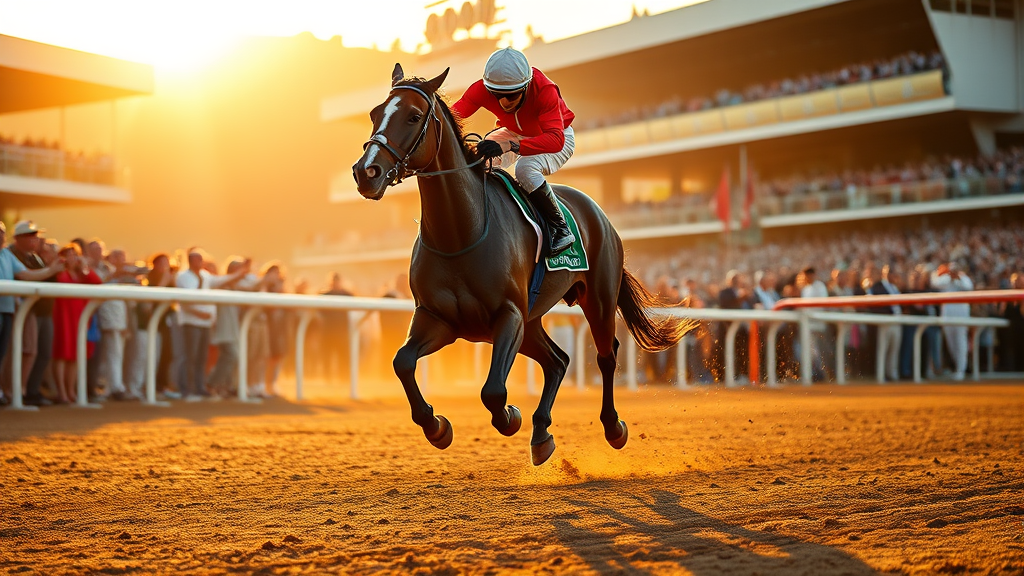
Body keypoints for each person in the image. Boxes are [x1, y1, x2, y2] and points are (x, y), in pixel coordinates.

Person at [452, 47, 578, 255]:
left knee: (525, 169)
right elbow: (450, 116)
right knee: (477, 160)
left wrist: (511, 146)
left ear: (526, 86)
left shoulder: (545, 90)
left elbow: (555, 140)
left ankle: (560, 228)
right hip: (513, 132)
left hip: (557, 137)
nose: (504, 103)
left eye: (510, 95)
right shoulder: (480, 89)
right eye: (496, 95)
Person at [175, 248, 250, 401]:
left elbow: (221, 281)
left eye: (200, 259)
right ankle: (186, 390)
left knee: (201, 358)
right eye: (196, 259)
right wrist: (198, 313)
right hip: (191, 321)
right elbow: (185, 299)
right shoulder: (183, 276)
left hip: (205, 323)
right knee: (189, 357)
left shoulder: (205, 276)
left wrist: (240, 273)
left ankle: (200, 388)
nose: (199, 262)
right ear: (189, 260)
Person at [51, 244, 101, 404]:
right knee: (61, 354)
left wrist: (84, 266)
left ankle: (71, 391)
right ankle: (62, 392)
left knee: (74, 356)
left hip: (79, 319)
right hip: (62, 318)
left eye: (74, 255)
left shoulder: (80, 274)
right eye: (68, 255)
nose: (72, 258)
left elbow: (97, 282)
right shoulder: (59, 272)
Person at [931, 263, 973, 381]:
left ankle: (961, 370)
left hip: (961, 316)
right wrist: (941, 272)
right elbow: (935, 282)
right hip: (948, 316)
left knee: (961, 343)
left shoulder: (964, 278)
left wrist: (958, 279)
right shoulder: (945, 278)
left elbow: (969, 287)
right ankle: (957, 368)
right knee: (951, 344)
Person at [868, 265, 903, 382]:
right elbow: (873, 304)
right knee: (883, 349)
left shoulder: (895, 288)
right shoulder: (877, 286)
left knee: (894, 349)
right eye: (888, 273)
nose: (890, 275)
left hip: (897, 322)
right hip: (885, 322)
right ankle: (881, 375)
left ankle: (892, 373)